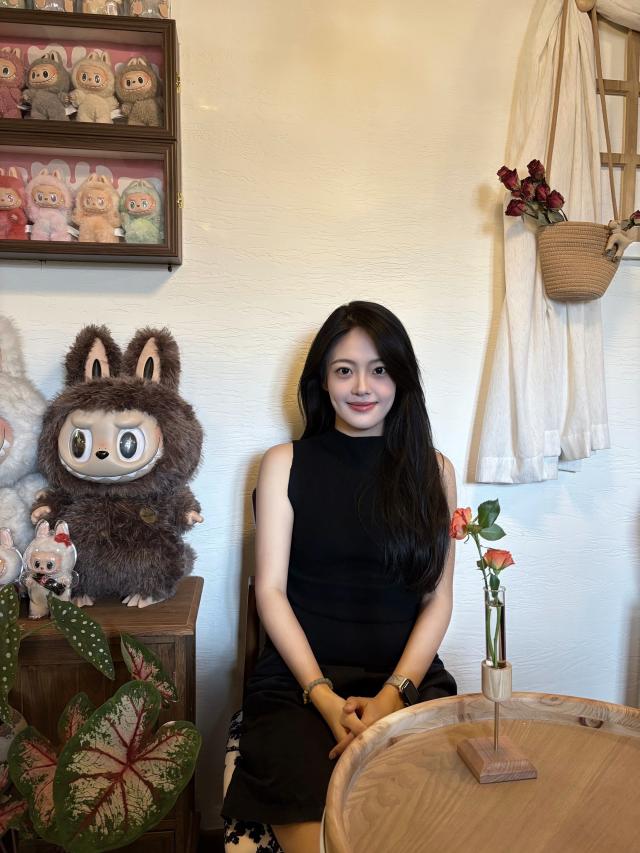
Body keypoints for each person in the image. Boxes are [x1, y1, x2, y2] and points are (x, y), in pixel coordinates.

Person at [223, 301, 457, 853]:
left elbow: (438, 599)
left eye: (379, 369)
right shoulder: (283, 463)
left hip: (406, 679)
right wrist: (323, 696)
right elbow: (271, 592)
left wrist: (393, 695)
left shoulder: (435, 470)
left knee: (429, 818)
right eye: (344, 370)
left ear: (401, 379)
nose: (362, 386)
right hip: (298, 685)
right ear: (322, 382)